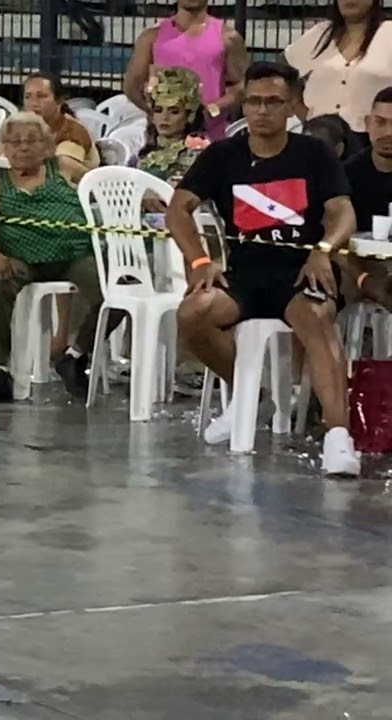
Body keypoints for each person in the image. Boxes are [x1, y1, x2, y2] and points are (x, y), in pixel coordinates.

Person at [167, 62, 361, 475]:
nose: (262, 110)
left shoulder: (314, 154)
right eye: (253, 101)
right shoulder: (222, 156)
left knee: (315, 317)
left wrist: (324, 249)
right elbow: (178, 210)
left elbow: (342, 212)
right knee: (192, 314)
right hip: (244, 275)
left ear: (292, 105)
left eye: (273, 101)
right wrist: (201, 261)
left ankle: (337, 437)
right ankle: (250, 396)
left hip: (300, 270)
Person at [0, 112, 115, 405]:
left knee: (117, 289)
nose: (23, 147)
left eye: (32, 141)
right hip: (19, 260)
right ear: (4, 147)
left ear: (48, 145)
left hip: (72, 255)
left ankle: (75, 356)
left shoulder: (64, 167)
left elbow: (104, 186)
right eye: (15, 141)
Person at [123, 0, 249, 140]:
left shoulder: (228, 38)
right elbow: (132, 85)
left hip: (210, 137)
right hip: (163, 140)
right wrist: (156, 112)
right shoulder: (151, 37)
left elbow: (242, 84)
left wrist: (214, 108)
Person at [283, 0, 391, 144]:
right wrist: (297, 105)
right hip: (318, 134)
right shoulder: (320, 33)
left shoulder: (388, 33)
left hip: (370, 138)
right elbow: (284, 67)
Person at [341, 87, 392, 308]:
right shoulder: (346, 174)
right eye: (380, 122)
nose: (388, 132)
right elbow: (334, 241)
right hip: (359, 268)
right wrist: (366, 281)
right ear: (367, 123)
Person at [136, 66, 211, 182]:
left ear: (189, 116)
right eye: (158, 110)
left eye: (174, 112)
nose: (165, 118)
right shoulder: (144, 155)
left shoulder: (198, 156)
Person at [23, 72, 101, 169]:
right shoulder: (20, 126)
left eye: (41, 96)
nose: (33, 103)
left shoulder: (72, 132)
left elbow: (61, 168)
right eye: (27, 97)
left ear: (59, 101)